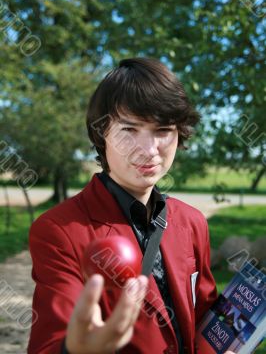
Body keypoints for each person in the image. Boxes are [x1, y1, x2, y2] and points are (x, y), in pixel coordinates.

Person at [27, 58, 235, 354]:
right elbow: (48, 344)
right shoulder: (59, 230)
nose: (149, 150)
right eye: (129, 129)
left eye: (162, 129)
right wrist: (74, 350)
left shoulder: (192, 222)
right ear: (102, 134)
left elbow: (203, 316)